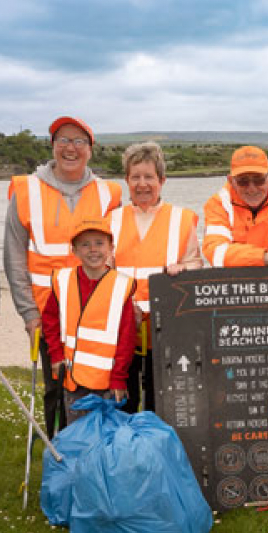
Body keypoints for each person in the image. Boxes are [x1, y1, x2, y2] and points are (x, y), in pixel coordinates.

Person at [4, 115, 122, 435]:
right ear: (53, 146)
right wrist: (29, 314)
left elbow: (116, 252)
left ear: (90, 149)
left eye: (79, 141)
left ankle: (99, 455)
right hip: (49, 314)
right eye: (63, 140)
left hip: (98, 314)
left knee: (100, 386)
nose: (71, 148)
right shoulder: (25, 190)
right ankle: (60, 458)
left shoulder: (109, 193)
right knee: (56, 388)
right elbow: (13, 258)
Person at [109, 141, 202, 412]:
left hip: (165, 328)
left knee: (159, 403)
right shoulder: (112, 220)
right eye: (135, 177)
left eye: (149, 177)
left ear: (161, 180)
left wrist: (183, 270)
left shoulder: (182, 219)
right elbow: (104, 271)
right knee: (123, 402)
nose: (142, 184)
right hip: (123, 328)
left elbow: (196, 264)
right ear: (126, 181)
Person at [41, 217, 137, 424]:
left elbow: (127, 337)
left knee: (106, 436)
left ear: (112, 248)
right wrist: (56, 356)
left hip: (107, 382)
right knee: (78, 435)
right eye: (85, 244)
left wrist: (119, 378)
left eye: (99, 243)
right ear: (74, 250)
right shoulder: (63, 281)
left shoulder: (121, 286)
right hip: (72, 379)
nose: (93, 249)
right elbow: (49, 320)